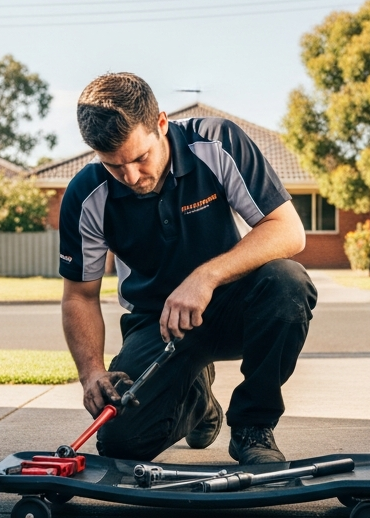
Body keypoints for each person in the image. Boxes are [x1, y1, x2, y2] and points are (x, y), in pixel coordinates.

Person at [58, 73, 317, 465]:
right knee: (120, 444)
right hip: (157, 325)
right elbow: (79, 295)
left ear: (161, 124)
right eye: (114, 166)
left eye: (139, 158)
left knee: (288, 282)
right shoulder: (86, 195)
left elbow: (288, 231)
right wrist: (91, 372)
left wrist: (205, 277)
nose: (131, 177)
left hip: (236, 307)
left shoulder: (217, 144)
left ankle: (252, 426)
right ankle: (198, 402)